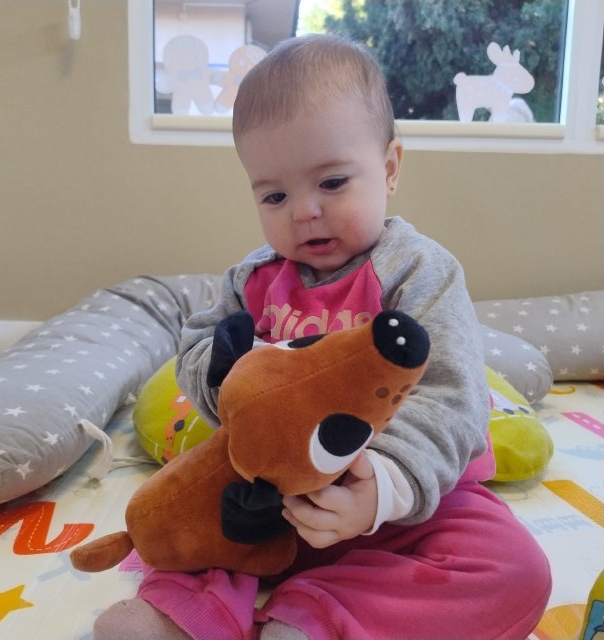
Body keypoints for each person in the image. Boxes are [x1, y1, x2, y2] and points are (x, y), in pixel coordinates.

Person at [95, 34, 551, 640]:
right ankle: (182, 614)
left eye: (332, 183)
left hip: (401, 503)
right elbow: (201, 345)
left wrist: (382, 487)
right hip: (271, 504)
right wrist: (229, 374)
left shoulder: (419, 271)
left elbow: (452, 394)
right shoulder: (254, 279)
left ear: (389, 169)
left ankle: (316, 617)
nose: (303, 210)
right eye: (275, 195)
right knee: (197, 521)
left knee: (516, 568)